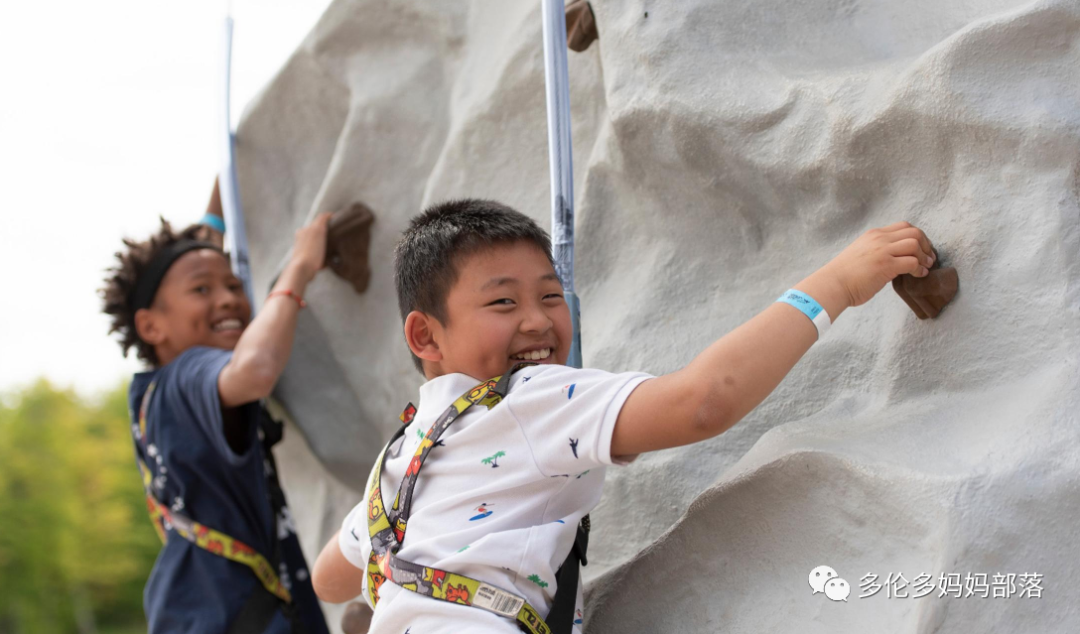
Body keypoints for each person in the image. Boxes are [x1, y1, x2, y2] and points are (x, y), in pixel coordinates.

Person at [310, 199, 938, 633]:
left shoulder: (396, 463)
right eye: (503, 301)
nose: (537, 319)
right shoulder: (530, 397)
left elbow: (327, 578)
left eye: (551, 297)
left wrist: (385, 595)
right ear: (425, 335)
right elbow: (702, 401)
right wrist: (838, 285)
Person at [100, 214, 334, 634]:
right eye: (201, 289)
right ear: (151, 325)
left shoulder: (156, 397)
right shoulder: (188, 373)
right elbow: (257, 367)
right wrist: (298, 268)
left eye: (233, 285)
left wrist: (214, 214)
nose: (229, 299)